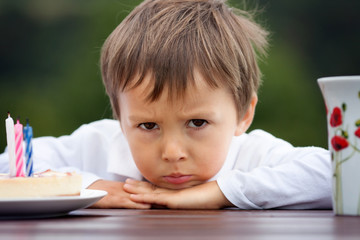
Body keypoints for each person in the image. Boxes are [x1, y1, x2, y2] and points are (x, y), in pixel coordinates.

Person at [0, 0, 332, 210]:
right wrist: (91, 188)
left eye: (197, 123)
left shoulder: (253, 155)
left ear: (243, 115)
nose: (172, 152)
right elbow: (11, 165)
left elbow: (335, 174)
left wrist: (219, 192)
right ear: (121, 117)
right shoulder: (100, 144)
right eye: (148, 126)